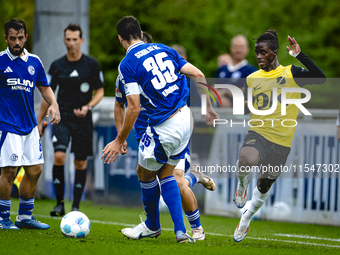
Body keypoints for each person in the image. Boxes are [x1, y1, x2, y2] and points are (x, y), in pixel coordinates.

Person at [101, 16, 218, 243]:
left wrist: (118, 140)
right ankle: (180, 231)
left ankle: (155, 226)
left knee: (148, 174)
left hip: (164, 126)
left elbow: (133, 106)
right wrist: (209, 109)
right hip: (185, 118)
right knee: (168, 175)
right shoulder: (164, 49)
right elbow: (199, 74)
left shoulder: (128, 64)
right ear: (141, 32)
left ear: (120, 39)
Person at [233, 29, 326, 242]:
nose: (258, 56)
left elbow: (320, 79)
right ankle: (241, 183)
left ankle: (246, 217)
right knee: (246, 158)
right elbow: (251, 107)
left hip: (282, 143)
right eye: (256, 52)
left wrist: (299, 55)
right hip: (258, 132)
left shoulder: (291, 73)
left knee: (264, 187)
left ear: (274, 52)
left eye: (262, 52)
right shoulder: (252, 78)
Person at [38, 24, 104, 216]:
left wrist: (89, 106)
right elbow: (47, 94)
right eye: (68, 39)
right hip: (62, 117)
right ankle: (59, 204)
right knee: (59, 156)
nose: (72, 43)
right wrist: (39, 121)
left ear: (81, 41)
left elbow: (99, 90)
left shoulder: (91, 64)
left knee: (80, 162)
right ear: (64, 40)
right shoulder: (57, 65)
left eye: (75, 39)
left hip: (84, 120)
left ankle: (75, 206)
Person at [0, 18, 60, 229]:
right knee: (9, 172)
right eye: (13, 38)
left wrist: (54, 104)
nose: (17, 42)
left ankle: (25, 217)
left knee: (34, 170)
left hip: (30, 127)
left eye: (20, 38)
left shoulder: (35, 62)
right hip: (7, 126)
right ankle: (2, 217)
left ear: (26, 37)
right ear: (6, 38)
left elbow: (44, 87)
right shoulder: (0, 61)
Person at [215, 35, 257, 107]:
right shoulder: (222, 69)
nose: (238, 50)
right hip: (218, 109)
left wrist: (225, 92)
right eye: (236, 47)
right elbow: (213, 88)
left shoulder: (251, 70)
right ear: (231, 48)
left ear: (247, 49)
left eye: (241, 47)